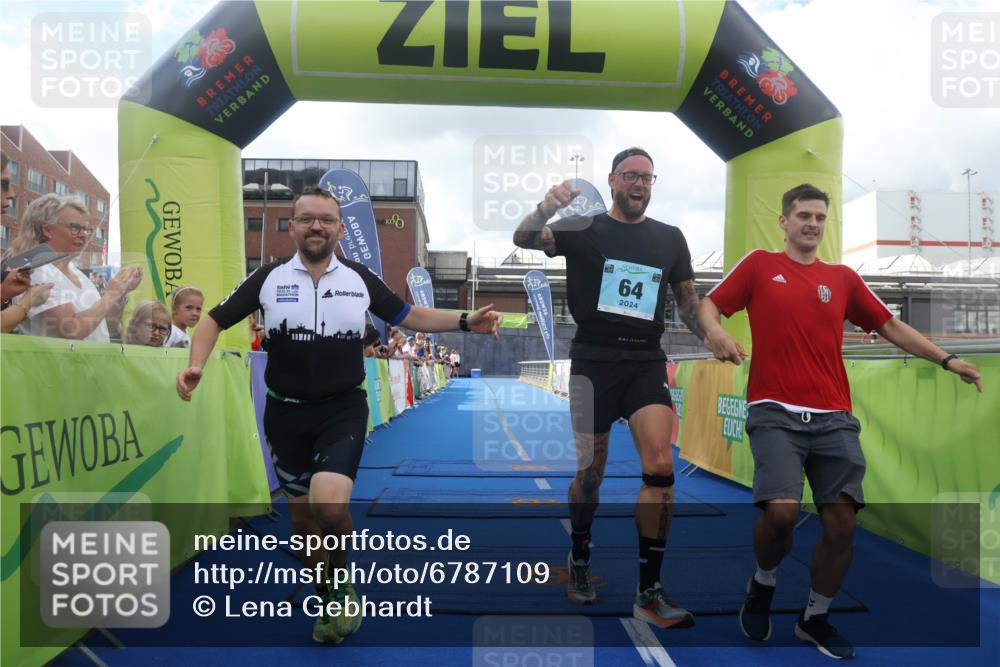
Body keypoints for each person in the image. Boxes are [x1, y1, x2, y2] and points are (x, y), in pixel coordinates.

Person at [176, 186, 501, 645]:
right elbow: (212, 320)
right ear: (291, 226)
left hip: (343, 409)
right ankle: (329, 591)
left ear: (340, 228)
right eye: (307, 218)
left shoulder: (359, 278)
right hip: (285, 415)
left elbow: (410, 315)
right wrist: (196, 364)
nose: (316, 226)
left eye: (326, 219)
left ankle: (341, 581)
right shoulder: (267, 278)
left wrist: (467, 320)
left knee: (330, 505)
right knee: (304, 526)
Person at [697, 183, 983, 659]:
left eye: (819, 217)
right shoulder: (759, 266)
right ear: (784, 222)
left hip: (834, 418)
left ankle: (815, 618)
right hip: (774, 412)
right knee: (783, 512)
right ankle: (763, 583)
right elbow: (710, 305)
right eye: (803, 215)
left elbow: (890, 325)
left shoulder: (844, 278)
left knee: (842, 523)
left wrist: (947, 359)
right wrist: (714, 332)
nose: (812, 224)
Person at [512, 147, 704, 628]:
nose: (639, 184)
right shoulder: (583, 228)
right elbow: (523, 236)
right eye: (630, 176)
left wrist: (714, 335)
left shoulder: (670, 238)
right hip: (593, 363)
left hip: (644, 362)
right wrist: (545, 207)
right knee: (590, 475)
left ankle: (650, 590)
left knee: (661, 467)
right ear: (614, 180)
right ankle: (579, 551)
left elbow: (688, 304)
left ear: (652, 184)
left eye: (647, 177)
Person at [7, 194, 142, 341]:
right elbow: (72, 329)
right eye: (75, 228)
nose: (83, 235)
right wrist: (111, 295)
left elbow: (109, 327)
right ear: (47, 230)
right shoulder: (36, 271)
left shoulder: (78, 274)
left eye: (86, 229)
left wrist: (121, 292)